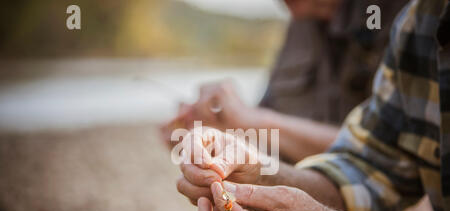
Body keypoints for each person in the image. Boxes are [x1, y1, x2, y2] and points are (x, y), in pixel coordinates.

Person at [176, 0, 450, 211]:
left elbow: (261, 120)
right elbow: (370, 165)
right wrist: (251, 167)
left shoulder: (393, 12)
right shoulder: (419, 22)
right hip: (319, 190)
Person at [161, 0, 408, 163]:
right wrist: (214, 133)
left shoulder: (408, 15)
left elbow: (392, 159)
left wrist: (255, 121)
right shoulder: (300, 23)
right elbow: (265, 128)